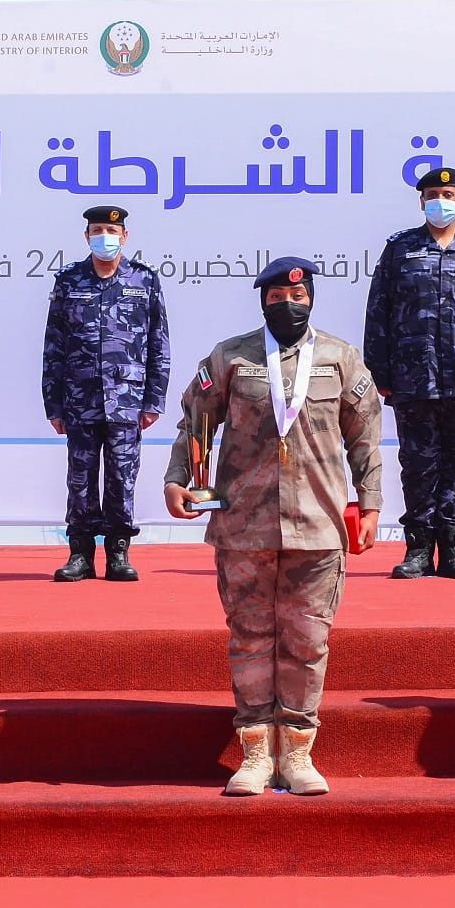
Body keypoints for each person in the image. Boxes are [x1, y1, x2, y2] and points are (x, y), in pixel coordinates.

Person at [165, 257, 382, 796]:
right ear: (263, 302)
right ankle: (257, 750)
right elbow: (195, 423)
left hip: (319, 525)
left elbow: (366, 434)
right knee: (251, 640)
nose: (289, 305)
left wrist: (370, 501)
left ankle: (299, 751)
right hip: (243, 525)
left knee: (308, 641)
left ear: (311, 297)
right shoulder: (232, 357)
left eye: (299, 296)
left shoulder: (338, 358)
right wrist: (179, 481)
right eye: (277, 299)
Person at [364, 167, 455, 580]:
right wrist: (380, 372)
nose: (440, 200)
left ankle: (454, 547)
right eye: (432, 194)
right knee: (416, 463)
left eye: (447, 193)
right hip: (412, 376)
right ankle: (419, 548)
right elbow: (378, 313)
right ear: (421, 200)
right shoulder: (400, 249)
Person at [41, 205, 171, 582]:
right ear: (86, 236)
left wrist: (154, 399)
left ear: (125, 236)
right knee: (79, 478)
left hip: (126, 400)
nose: (105, 237)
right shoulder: (69, 280)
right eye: (97, 230)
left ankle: (118, 550)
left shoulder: (144, 280)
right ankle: (80, 553)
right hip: (79, 399)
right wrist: (53, 403)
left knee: (121, 476)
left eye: (112, 230)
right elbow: (54, 346)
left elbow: (158, 345)